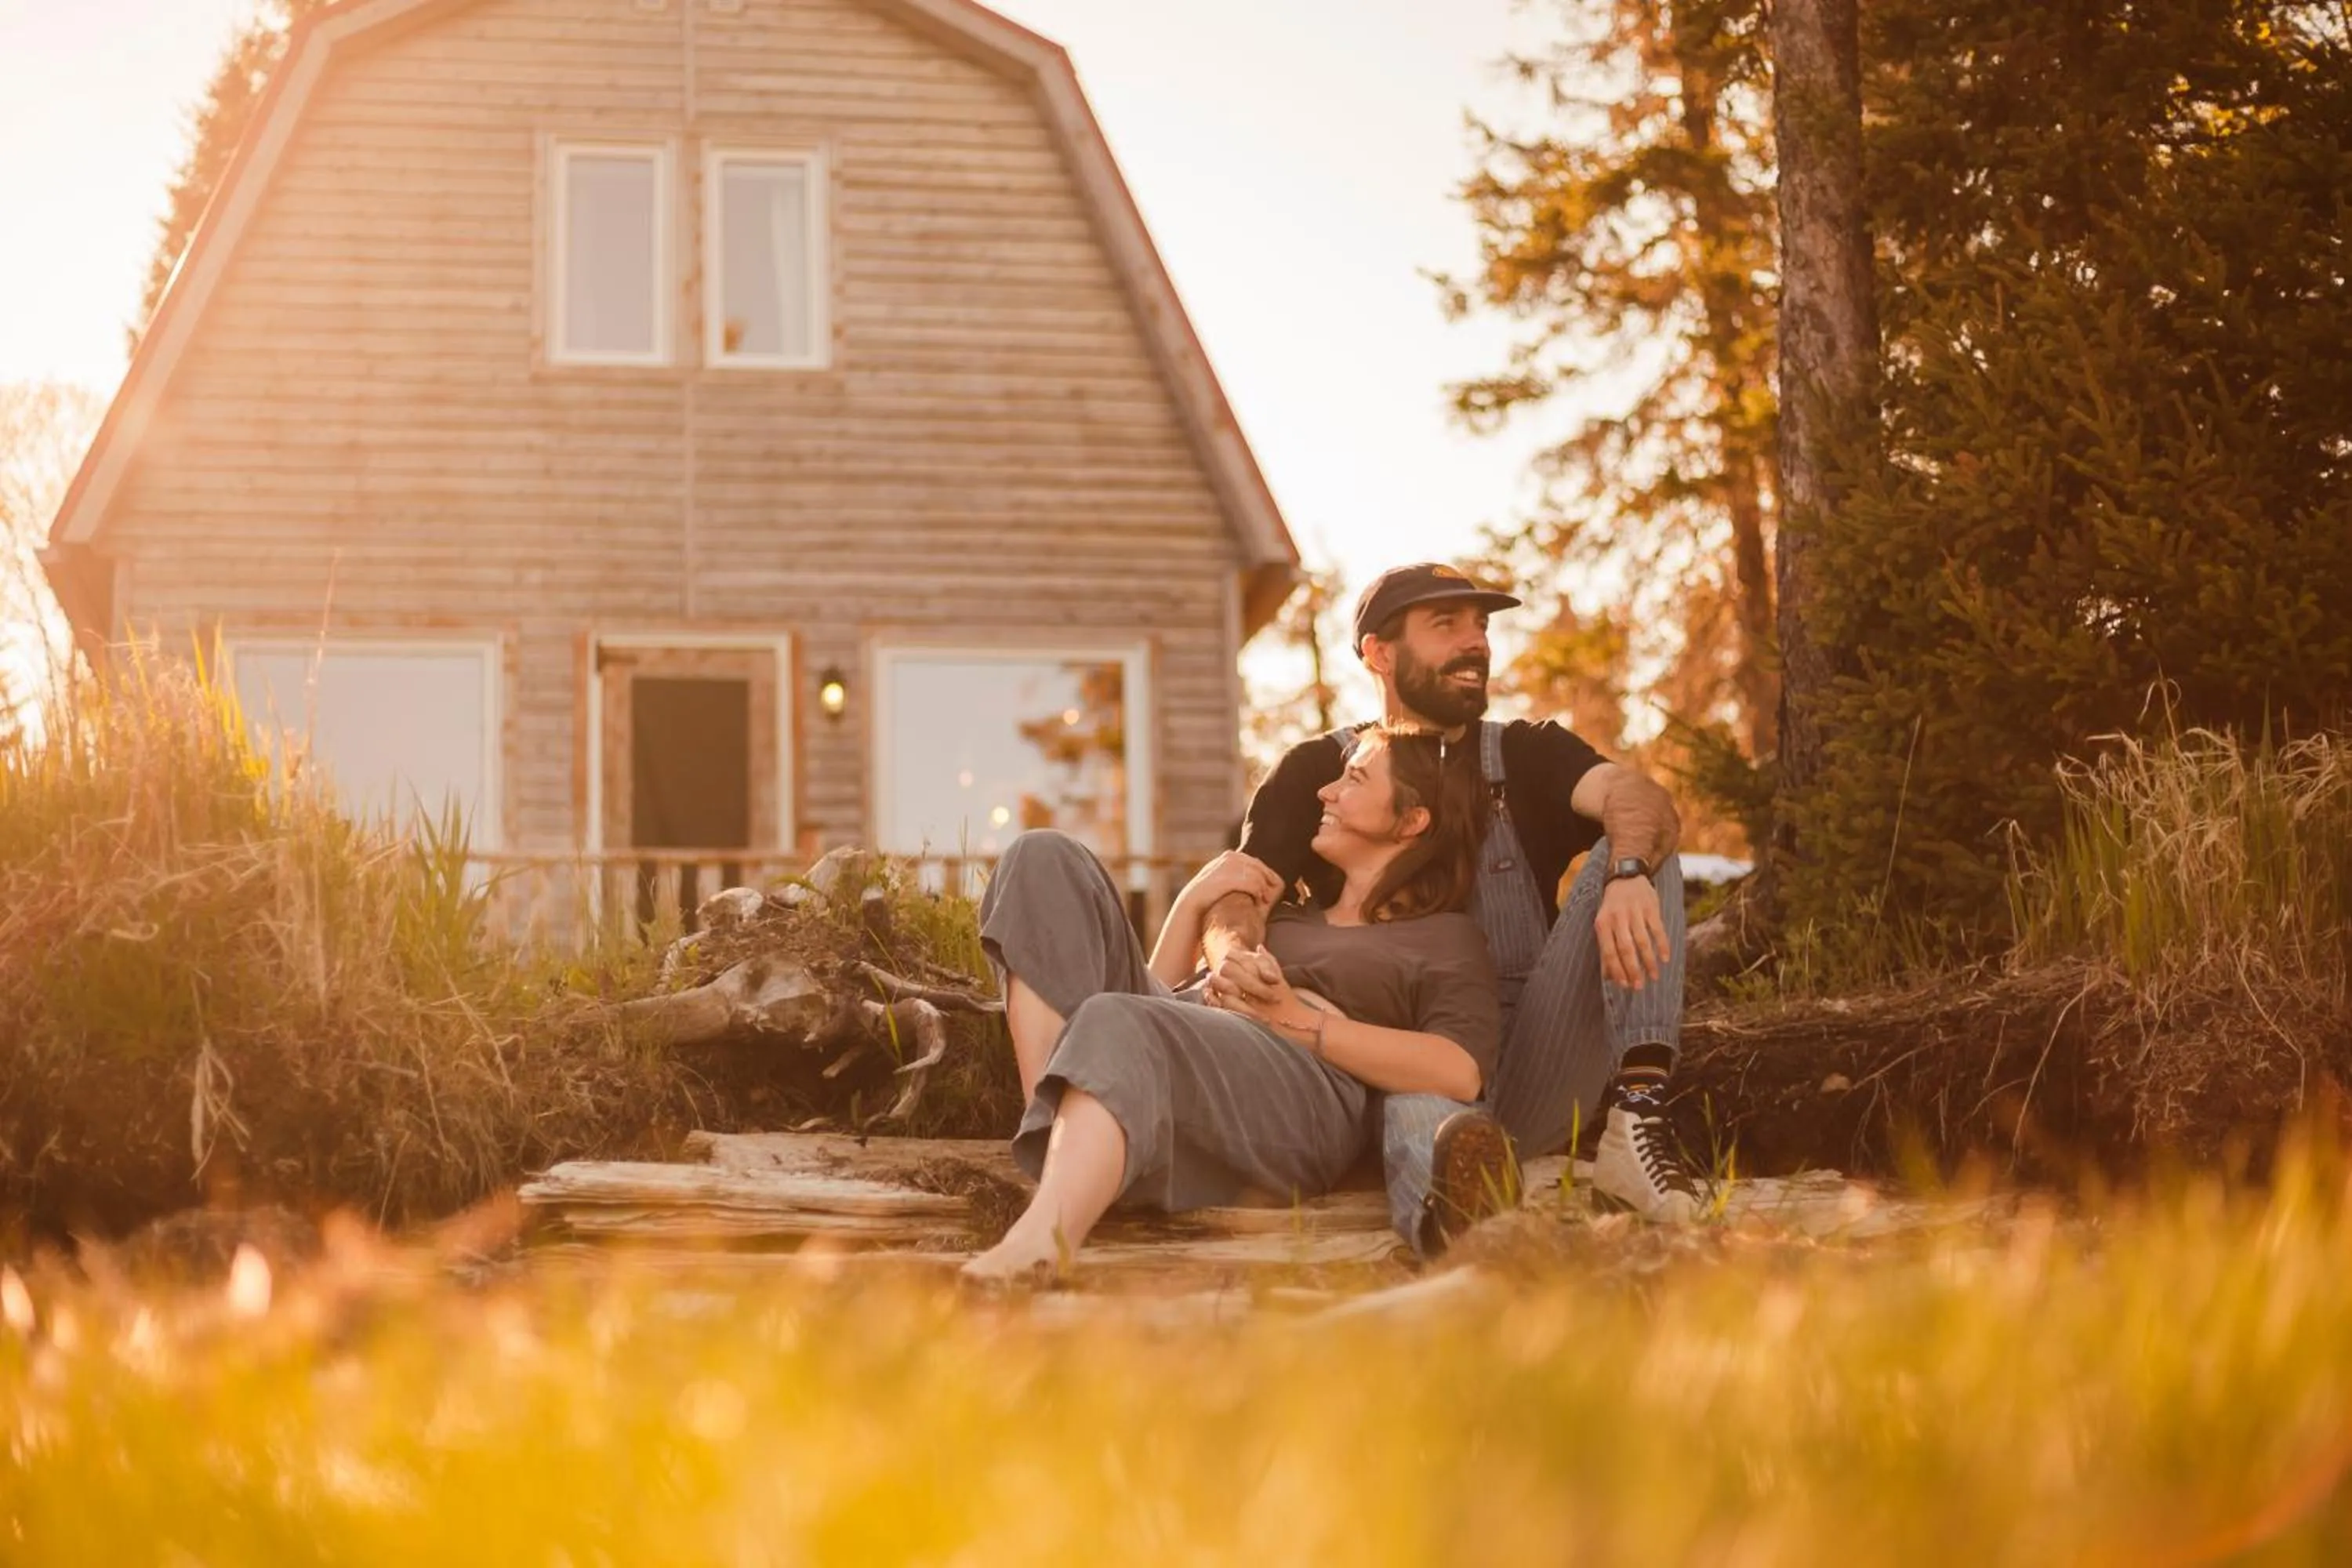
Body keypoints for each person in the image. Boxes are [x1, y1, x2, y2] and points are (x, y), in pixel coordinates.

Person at [1203, 561, 1700, 1250]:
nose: (1477, 643)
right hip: (1376, 1065)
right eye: (1447, 625)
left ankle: (1637, 1120)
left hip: (1529, 1059)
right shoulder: (1318, 775)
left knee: (1644, 838)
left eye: (1482, 626)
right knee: (1431, 1111)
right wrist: (1236, 961)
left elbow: (1637, 798)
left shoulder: (1526, 754)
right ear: (1378, 652)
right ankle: (1466, 1240)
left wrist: (1630, 872)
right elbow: (1238, 890)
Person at [961, 726, 1512, 1287]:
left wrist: (1294, 1020)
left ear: (1412, 819)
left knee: (1115, 1020)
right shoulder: (1288, 914)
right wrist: (1190, 903)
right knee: (1041, 857)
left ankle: (1041, 1245)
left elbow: (1459, 1070)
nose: (1326, 792)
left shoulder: (1444, 938)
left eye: (1355, 778)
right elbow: (1156, 1003)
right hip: (1198, 1033)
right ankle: (1058, 1140)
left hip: (1303, 1088)